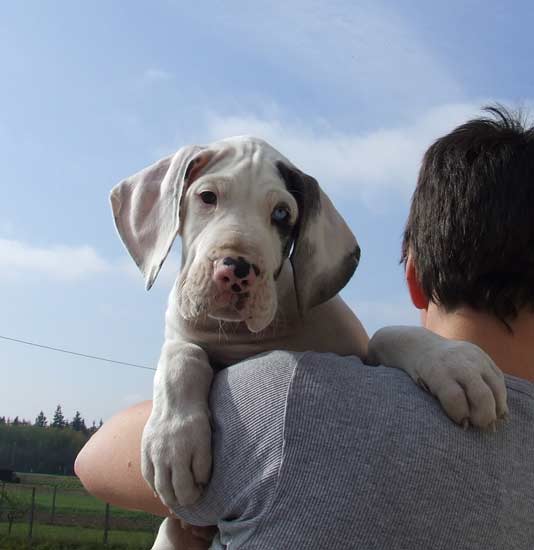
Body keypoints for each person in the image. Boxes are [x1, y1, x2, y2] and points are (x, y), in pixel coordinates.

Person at [76, 106, 534, 549]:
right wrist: (179, 375)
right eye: (208, 198)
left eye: (281, 216)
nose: (236, 266)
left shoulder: (288, 396)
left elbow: (94, 462)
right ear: (168, 210)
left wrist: (416, 347)